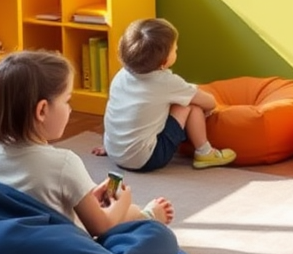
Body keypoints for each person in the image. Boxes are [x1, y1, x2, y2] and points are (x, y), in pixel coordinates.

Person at [0, 49, 173, 235]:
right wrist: (124, 200)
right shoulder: (64, 163)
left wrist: (83, 194)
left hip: (9, 250)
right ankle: (148, 217)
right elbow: (101, 227)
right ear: (42, 110)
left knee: (109, 209)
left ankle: (142, 215)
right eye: (66, 100)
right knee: (131, 214)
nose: (70, 109)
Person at [99, 17, 236, 172]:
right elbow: (210, 102)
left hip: (114, 150)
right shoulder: (166, 82)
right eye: (175, 49)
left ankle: (117, 146)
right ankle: (205, 152)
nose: (176, 50)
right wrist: (191, 92)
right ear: (164, 62)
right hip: (147, 160)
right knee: (188, 104)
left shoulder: (121, 75)